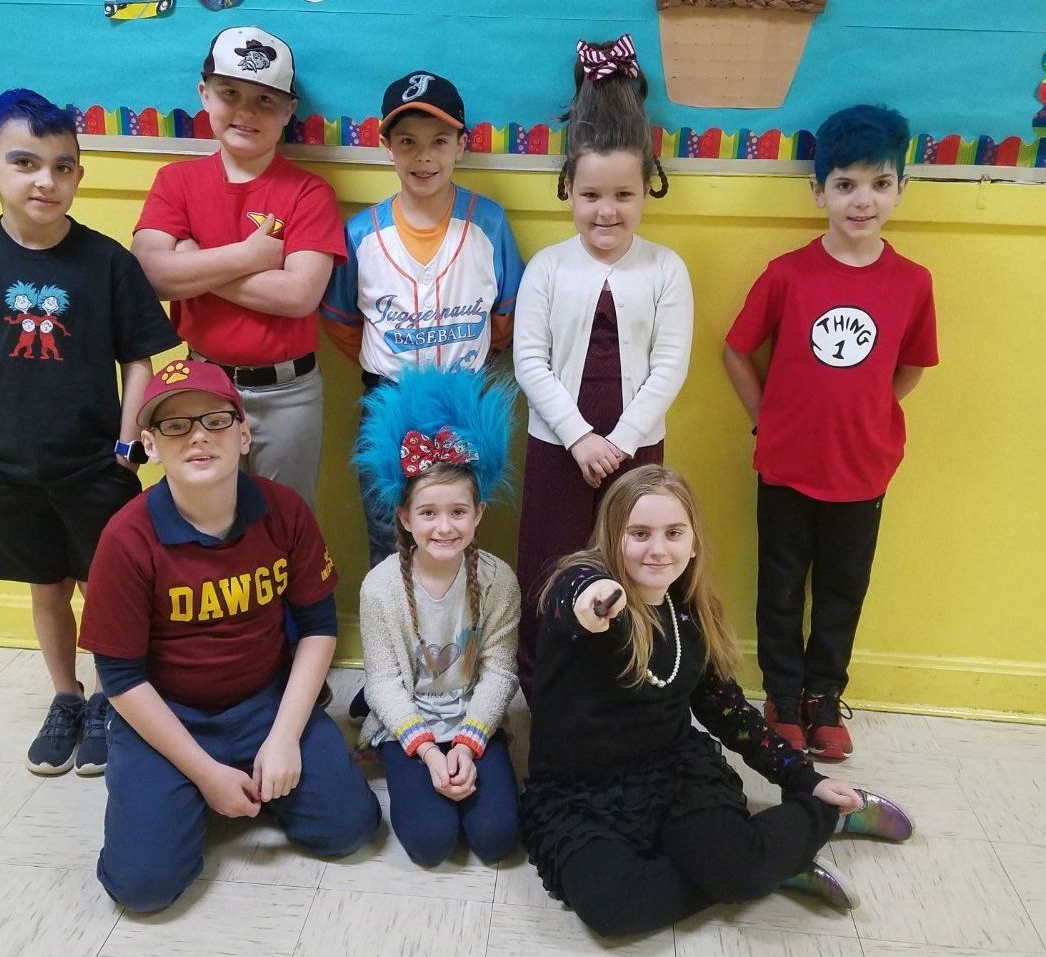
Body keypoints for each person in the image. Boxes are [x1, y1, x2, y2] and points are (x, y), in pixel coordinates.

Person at [0, 88, 180, 777]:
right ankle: (67, 697)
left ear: (79, 175)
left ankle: (114, 699)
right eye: (25, 162)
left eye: (63, 166)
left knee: (106, 588)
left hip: (94, 467)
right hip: (4, 467)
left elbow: (138, 359)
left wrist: (126, 449)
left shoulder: (108, 262)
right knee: (46, 587)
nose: (45, 181)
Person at [521, 465, 915, 937]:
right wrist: (594, 597)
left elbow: (730, 714)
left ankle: (823, 820)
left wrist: (804, 779)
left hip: (670, 773)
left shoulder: (689, 613)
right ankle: (773, 863)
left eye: (673, 533)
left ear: (693, 543)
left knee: (740, 872)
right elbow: (574, 598)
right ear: (611, 537)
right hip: (580, 791)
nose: (657, 549)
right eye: (639, 534)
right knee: (615, 909)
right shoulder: (582, 586)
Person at [78, 360, 381, 913]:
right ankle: (179, 789)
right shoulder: (126, 538)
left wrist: (284, 737)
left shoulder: (284, 510)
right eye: (175, 426)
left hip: (264, 703)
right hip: (169, 715)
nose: (198, 436)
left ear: (244, 435)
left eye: (215, 421)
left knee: (350, 830)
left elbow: (318, 627)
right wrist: (206, 775)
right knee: (142, 889)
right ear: (150, 445)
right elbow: (119, 678)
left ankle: (247, 773)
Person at [722, 104, 938, 759]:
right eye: (844, 184)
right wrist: (766, 416)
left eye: (878, 183)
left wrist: (866, 409)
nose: (861, 200)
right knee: (780, 587)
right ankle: (782, 697)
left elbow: (910, 367)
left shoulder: (912, 283)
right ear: (818, 191)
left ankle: (824, 697)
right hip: (786, 463)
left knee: (843, 591)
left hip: (862, 468)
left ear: (901, 188)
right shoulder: (787, 273)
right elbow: (736, 349)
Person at [513, 35, 693, 700]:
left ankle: (624, 680)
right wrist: (580, 437)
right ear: (568, 189)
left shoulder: (665, 269)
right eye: (590, 194)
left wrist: (618, 442)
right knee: (551, 561)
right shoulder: (547, 268)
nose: (606, 210)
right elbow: (529, 360)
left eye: (623, 194)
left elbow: (669, 365)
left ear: (646, 191)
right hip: (558, 443)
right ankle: (542, 685)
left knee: (633, 561)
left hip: (635, 446)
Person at [132, 26, 346, 508]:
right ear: (204, 94)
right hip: (201, 384)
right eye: (230, 93)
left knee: (284, 517)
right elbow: (150, 274)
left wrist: (193, 262)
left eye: (265, 100)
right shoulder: (176, 182)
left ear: (289, 111)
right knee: (205, 512)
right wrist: (249, 256)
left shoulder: (309, 192)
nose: (246, 112)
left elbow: (298, 296)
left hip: (289, 394)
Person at [322, 70, 524, 569]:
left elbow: (506, 315)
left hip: (464, 401)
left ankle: (454, 621)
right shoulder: (361, 233)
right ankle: (393, 622)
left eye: (439, 141)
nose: (423, 156)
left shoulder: (488, 222)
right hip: (387, 401)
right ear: (386, 146)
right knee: (387, 532)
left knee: (456, 533)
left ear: (462, 146)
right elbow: (343, 322)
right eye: (407, 141)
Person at [351, 368, 521, 865]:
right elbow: (383, 683)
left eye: (458, 512)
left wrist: (467, 744)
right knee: (431, 843)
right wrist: (427, 750)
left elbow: (500, 673)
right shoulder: (380, 586)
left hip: (471, 714)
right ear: (405, 518)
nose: (444, 527)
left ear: (478, 513)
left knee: (496, 839)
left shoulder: (498, 581)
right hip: (411, 721)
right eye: (428, 513)